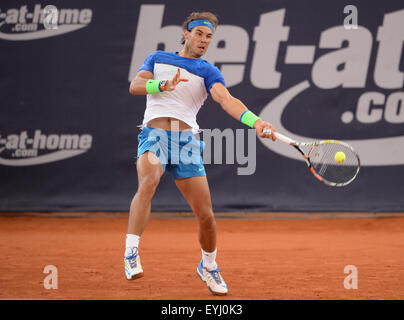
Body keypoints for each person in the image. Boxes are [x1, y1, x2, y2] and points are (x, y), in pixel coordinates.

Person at [125, 11, 276, 296]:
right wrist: (162, 85)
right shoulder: (157, 59)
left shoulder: (208, 71)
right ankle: (131, 252)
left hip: (186, 143)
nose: (204, 40)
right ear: (186, 33)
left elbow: (226, 100)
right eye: (199, 34)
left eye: (209, 37)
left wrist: (256, 122)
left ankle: (208, 266)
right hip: (154, 136)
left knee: (206, 215)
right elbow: (135, 86)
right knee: (148, 183)